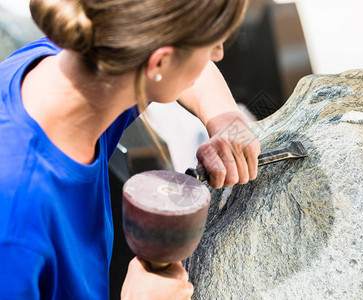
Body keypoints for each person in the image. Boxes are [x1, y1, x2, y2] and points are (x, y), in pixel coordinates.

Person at [0, 0, 260, 299]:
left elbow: (193, 73)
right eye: (213, 44)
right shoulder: (15, 224)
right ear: (159, 64)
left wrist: (226, 117)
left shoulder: (84, 59)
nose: (218, 54)